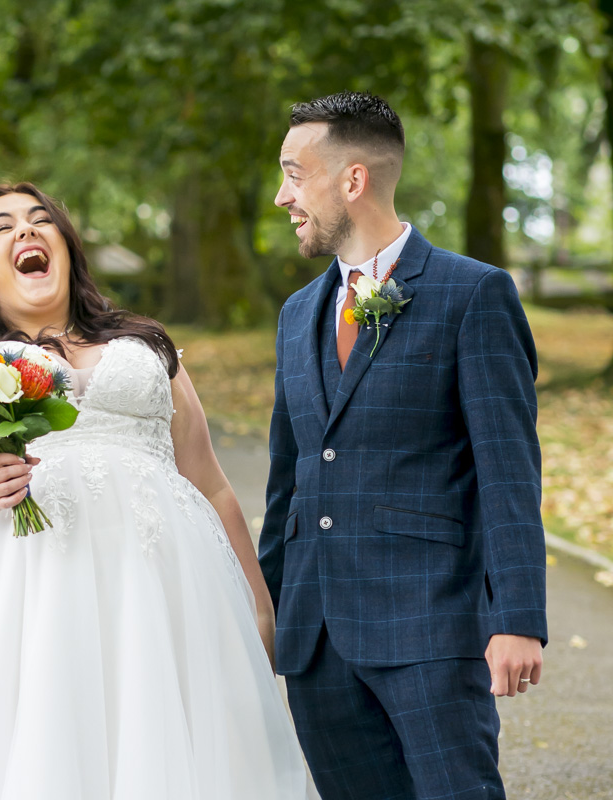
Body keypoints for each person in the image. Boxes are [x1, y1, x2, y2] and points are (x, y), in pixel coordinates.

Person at [0, 182, 307, 799]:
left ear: (66, 245)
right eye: (2, 227)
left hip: (163, 606)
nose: (26, 231)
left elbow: (210, 486)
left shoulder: (147, 347)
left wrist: (258, 606)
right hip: (19, 612)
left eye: (40, 220)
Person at [262, 91, 548, 800]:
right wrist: (264, 613)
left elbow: (509, 470)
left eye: (295, 174)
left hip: (430, 626)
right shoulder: (298, 313)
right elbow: (286, 478)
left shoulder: (473, 294)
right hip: (316, 637)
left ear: (352, 180)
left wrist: (517, 620)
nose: (281, 196)